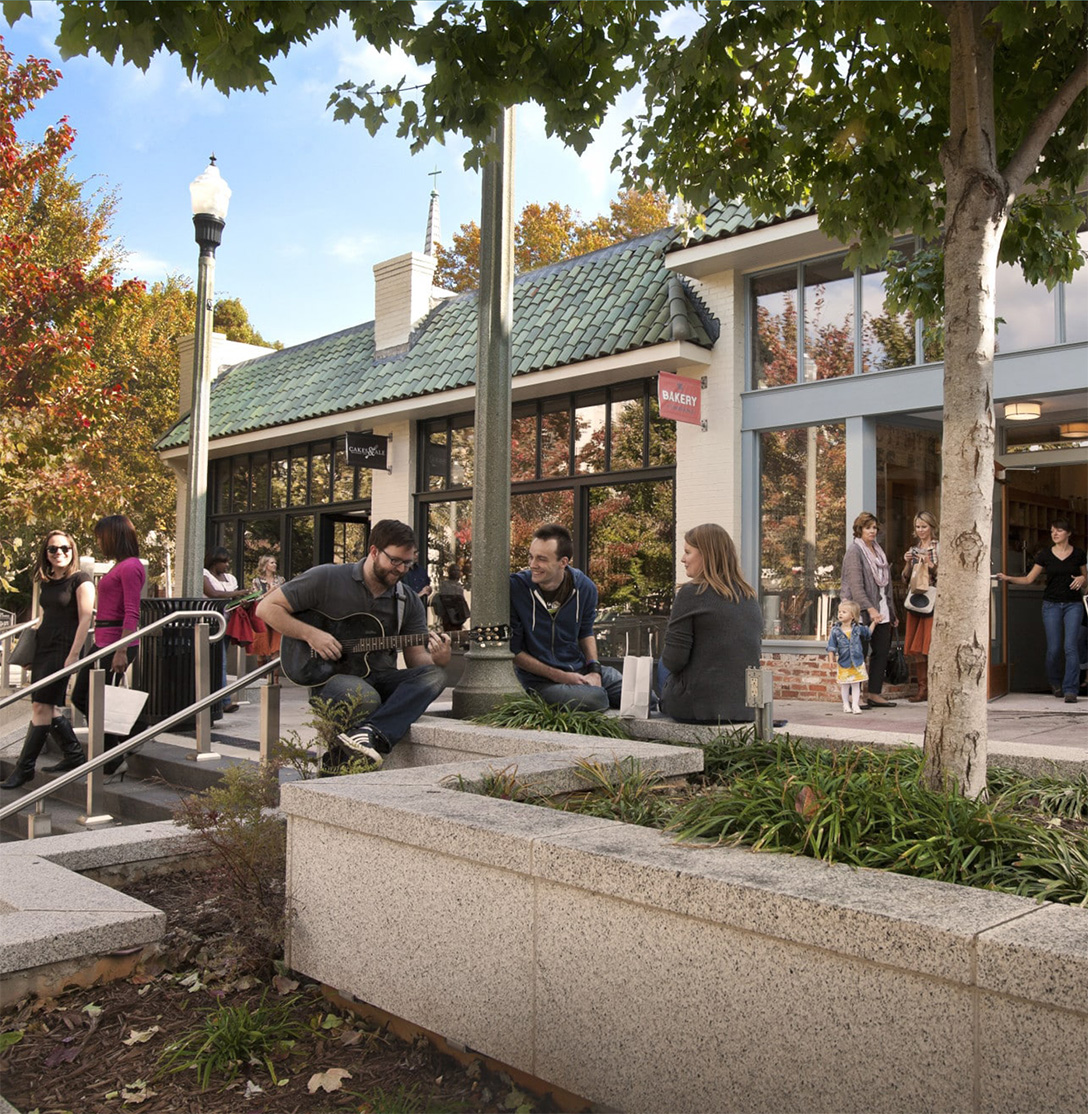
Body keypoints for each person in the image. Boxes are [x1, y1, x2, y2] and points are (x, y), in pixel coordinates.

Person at [257, 519, 450, 769]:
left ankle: (369, 733)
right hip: (330, 680)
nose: (401, 569)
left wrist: (438, 658)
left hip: (382, 677)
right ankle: (353, 751)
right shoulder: (327, 578)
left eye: (408, 563)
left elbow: (416, 660)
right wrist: (311, 634)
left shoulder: (408, 600)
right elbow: (266, 608)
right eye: (395, 561)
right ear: (373, 552)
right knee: (364, 697)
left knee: (435, 675)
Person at [2, 531, 94, 790]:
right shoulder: (48, 581)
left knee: (40, 707)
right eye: (53, 549)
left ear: (72, 550)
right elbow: (44, 618)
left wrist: (74, 655)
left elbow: (86, 619)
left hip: (63, 650)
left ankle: (25, 769)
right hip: (43, 649)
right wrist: (30, 654)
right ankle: (74, 755)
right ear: (46, 554)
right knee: (48, 707)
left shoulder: (81, 580)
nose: (59, 553)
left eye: (65, 548)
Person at [509, 523, 622, 711]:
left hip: (578, 669)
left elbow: (586, 633)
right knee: (596, 699)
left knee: (639, 695)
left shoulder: (585, 588)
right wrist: (561, 677)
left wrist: (594, 670)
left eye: (541, 559)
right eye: (531, 557)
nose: (532, 565)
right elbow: (513, 652)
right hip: (539, 681)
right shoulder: (516, 588)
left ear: (563, 562)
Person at [658, 523, 763, 724]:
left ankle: (657, 704)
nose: (683, 559)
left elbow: (674, 660)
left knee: (663, 664)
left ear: (706, 554)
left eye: (688, 552)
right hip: (745, 710)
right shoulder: (750, 596)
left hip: (699, 709)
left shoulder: (690, 594)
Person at [71, 515, 147, 779]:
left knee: (90, 698)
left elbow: (131, 611)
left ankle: (122, 746)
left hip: (116, 643)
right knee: (83, 697)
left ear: (114, 536)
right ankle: (124, 741)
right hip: (103, 642)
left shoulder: (130, 567)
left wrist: (122, 650)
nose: (99, 542)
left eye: (101, 537)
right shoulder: (120, 566)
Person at [997, 518, 1087, 702]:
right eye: (1053, 530)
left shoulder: (1078, 554)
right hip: (1051, 604)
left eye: (1059, 530)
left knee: (1070, 647)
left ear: (1068, 533)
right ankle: (1055, 682)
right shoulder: (1045, 554)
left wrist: (1083, 579)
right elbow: (1029, 579)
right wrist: (1007, 578)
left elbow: (1085, 578)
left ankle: (1071, 689)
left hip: (1073, 605)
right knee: (1053, 648)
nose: (1054, 533)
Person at [840, 511, 898, 707]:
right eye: (868, 527)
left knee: (881, 652)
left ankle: (874, 693)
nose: (872, 531)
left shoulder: (878, 551)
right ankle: (852, 694)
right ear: (859, 530)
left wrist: (892, 611)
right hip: (862, 612)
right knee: (858, 653)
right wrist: (871, 609)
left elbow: (885, 585)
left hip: (882, 609)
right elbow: (856, 587)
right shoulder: (854, 552)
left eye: (874, 527)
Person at [202, 546, 248, 712]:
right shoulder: (205, 575)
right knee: (219, 661)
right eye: (224, 562)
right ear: (215, 562)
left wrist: (243, 597)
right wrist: (237, 593)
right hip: (211, 623)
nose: (227, 565)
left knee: (221, 661)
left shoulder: (230, 578)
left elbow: (233, 597)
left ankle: (220, 699)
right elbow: (212, 594)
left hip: (228, 622)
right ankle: (224, 701)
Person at [901, 511, 939, 702]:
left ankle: (934, 688)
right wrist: (908, 562)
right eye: (918, 527)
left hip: (931, 600)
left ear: (931, 527)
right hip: (915, 599)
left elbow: (945, 574)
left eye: (924, 526)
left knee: (929, 645)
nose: (921, 530)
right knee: (916, 648)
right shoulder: (914, 548)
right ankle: (922, 688)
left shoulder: (938, 547)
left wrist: (930, 563)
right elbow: (906, 578)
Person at [826, 600, 870, 715]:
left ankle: (855, 705)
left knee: (856, 684)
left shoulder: (857, 628)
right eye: (839, 612)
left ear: (852, 616)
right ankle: (845, 704)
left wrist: (874, 623)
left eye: (844, 612)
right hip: (844, 662)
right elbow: (831, 646)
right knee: (844, 685)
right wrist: (831, 659)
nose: (840, 614)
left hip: (857, 661)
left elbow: (868, 633)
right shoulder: (836, 630)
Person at [249, 555, 285, 683]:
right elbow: (256, 599)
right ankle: (263, 679)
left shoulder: (280, 580)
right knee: (262, 648)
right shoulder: (257, 582)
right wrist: (270, 592)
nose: (275, 565)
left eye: (275, 562)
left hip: (276, 615)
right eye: (272, 563)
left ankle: (275, 680)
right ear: (265, 566)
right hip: (262, 616)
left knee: (276, 648)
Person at [433, 563, 470, 632]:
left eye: (458, 571)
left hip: (458, 615)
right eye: (454, 570)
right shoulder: (444, 584)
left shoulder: (459, 586)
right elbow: (443, 599)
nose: (456, 572)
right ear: (449, 572)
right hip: (448, 615)